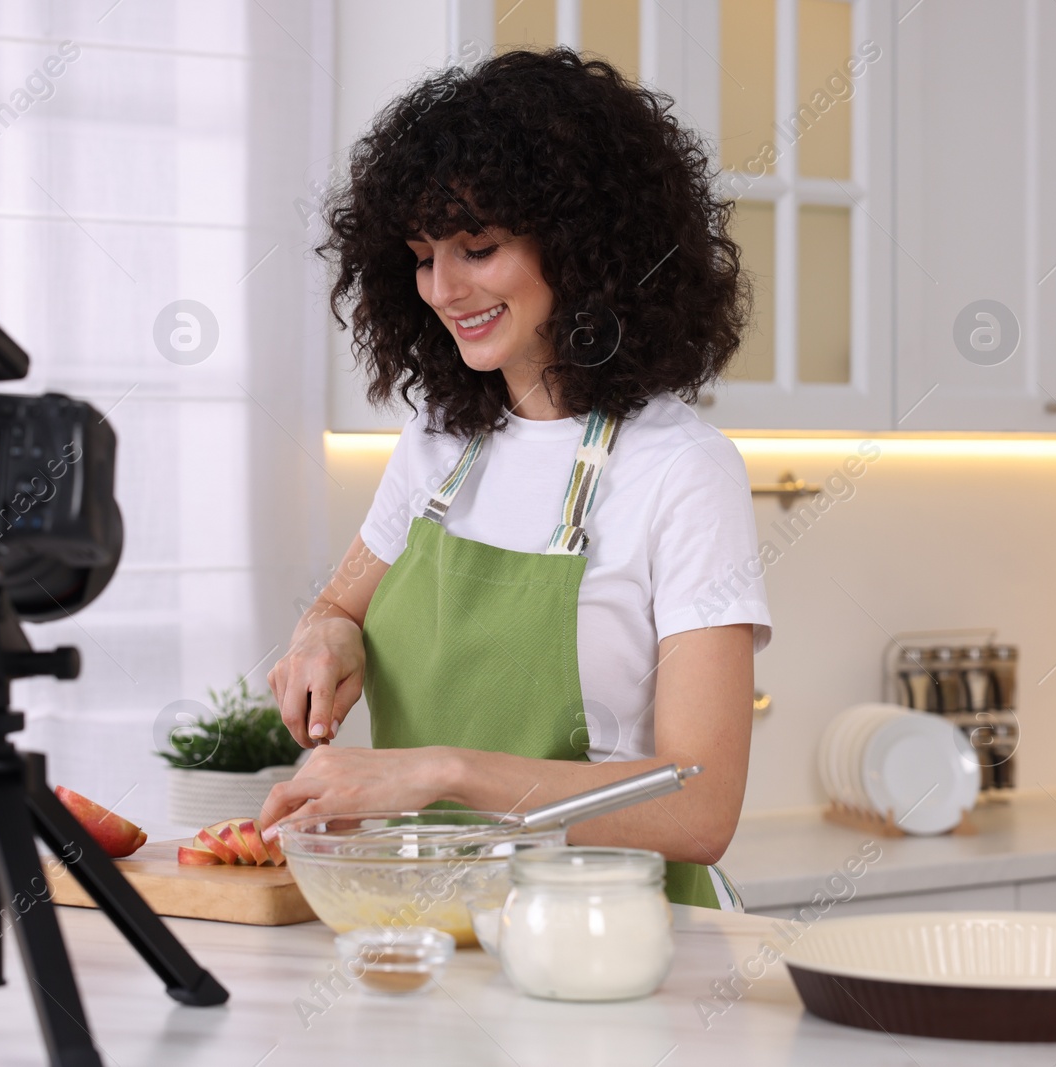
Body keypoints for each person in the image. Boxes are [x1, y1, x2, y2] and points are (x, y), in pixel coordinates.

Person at [262, 47, 772, 909]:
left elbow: (699, 805)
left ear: (583, 248)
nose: (443, 288)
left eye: (479, 247)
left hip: (613, 945)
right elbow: (342, 604)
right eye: (423, 256)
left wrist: (440, 773)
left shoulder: (682, 470)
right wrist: (325, 636)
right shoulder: (440, 444)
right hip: (432, 927)